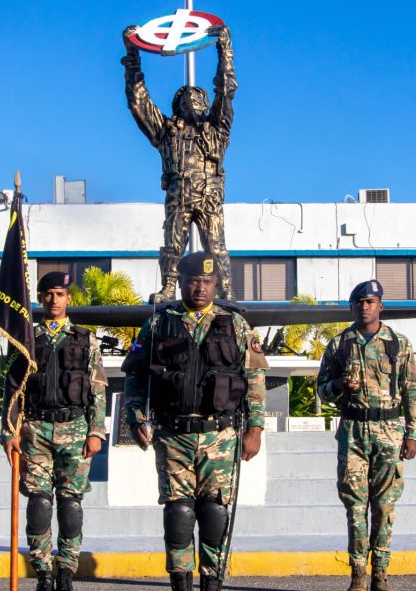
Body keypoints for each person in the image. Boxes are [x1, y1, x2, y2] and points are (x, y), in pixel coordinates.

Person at [121, 251, 268, 591]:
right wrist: (135, 416)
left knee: (215, 513)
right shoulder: (159, 322)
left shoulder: (236, 324)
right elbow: (135, 376)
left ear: (216, 284)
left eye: (207, 282)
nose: (200, 288)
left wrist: (255, 429)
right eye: (193, 281)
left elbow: (254, 379)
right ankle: (181, 582)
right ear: (182, 282)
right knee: (178, 513)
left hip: (221, 434)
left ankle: (213, 582)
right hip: (174, 434)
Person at [2, 272, 108, 591]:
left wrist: (96, 432)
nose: (53, 300)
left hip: (75, 427)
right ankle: (43, 572)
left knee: (70, 503)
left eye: (59, 294)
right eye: (47, 294)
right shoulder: (26, 341)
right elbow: (12, 390)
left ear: (68, 299)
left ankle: (66, 570)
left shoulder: (84, 339)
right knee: (38, 503)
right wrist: (9, 433)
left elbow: (97, 388)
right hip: (35, 429)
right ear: (40, 298)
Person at [316, 280, 416, 591]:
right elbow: (321, 389)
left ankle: (381, 574)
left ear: (380, 305)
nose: (365, 307)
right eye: (359, 302)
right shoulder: (339, 344)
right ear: (352, 307)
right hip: (353, 432)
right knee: (354, 505)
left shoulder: (398, 343)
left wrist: (413, 433)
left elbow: (412, 390)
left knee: (385, 505)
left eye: (370, 301)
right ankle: (358, 575)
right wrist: (337, 386)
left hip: (389, 431)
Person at [122, 23, 238, 301]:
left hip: (209, 195)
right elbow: (138, 101)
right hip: (178, 194)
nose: (190, 100)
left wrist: (224, 49)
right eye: (184, 97)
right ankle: (168, 288)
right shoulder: (166, 131)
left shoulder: (217, 128)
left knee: (217, 246)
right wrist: (133, 54)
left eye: (196, 97)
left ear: (205, 104)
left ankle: (226, 291)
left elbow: (225, 89)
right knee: (172, 244)